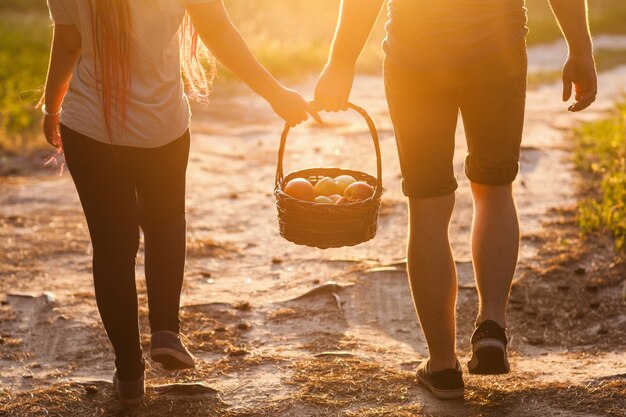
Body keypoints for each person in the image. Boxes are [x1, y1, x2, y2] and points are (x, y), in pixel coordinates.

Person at [315, 0, 597, 400]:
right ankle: (491, 326)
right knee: (495, 188)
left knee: (428, 206)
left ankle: (442, 365)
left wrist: (341, 61)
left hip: (416, 57)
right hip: (496, 53)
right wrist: (580, 49)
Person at [43, 0, 319, 407]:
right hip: (161, 128)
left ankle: (130, 373)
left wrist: (51, 106)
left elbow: (67, 42)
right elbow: (218, 30)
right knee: (165, 221)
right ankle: (165, 331)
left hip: (88, 127)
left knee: (112, 248)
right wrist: (274, 93)